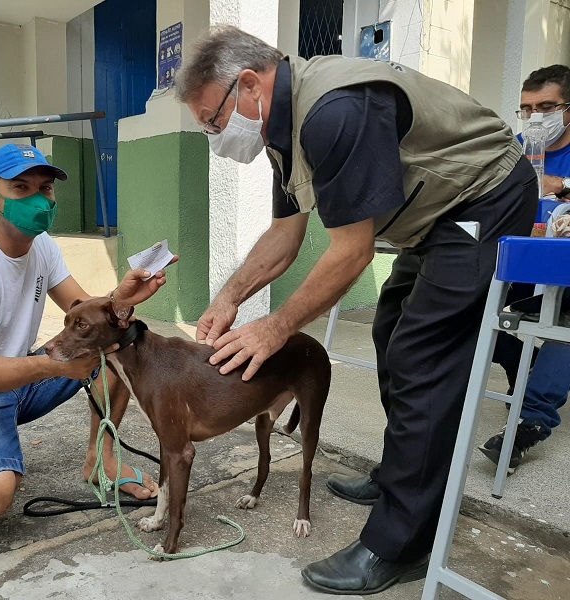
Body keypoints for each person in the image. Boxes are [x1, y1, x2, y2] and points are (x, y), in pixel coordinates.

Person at [174, 26, 537, 595]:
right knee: (392, 330)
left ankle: (398, 543)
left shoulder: (333, 110)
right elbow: (284, 233)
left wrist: (276, 326)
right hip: (434, 217)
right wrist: (228, 298)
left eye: (213, 119)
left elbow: (351, 253)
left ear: (248, 85)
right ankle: (403, 479)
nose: (215, 135)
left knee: (423, 354)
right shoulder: (283, 129)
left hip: (486, 196)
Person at [0, 143, 171, 519]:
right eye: (21, 188)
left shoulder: (42, 246)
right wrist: (56, 366)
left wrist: (120, 298)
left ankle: (101, 462)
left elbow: (81, 310)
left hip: (19, 378)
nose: (38, 199)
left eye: (45, 189)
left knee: (114, 347)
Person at [480, 64, 570, 473]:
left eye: (546, 106)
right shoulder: (519, 147)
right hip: (524, 257)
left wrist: (564, 186)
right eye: (526, 108)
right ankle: (522, 374)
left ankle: (529, 420)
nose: (535, 117)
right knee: (474, 303)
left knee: (565, 323)